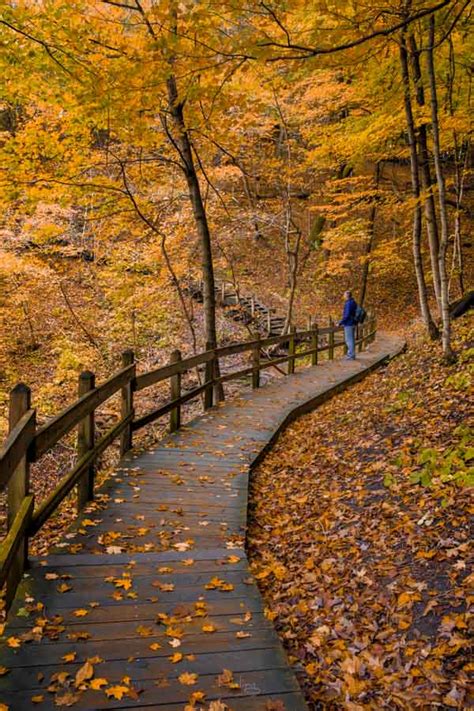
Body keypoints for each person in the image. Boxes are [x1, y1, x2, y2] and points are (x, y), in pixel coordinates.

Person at [339, 290, 357, 360]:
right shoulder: (353, 302)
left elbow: (347, 315)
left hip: (349, 323)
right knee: (351, 339)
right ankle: (351, 354)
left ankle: (351, 356)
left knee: (349, 340)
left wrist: (340, 322)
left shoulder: (348, 303)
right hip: (353, 323)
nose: (343, 296)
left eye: (344, 295)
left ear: (347, 295)